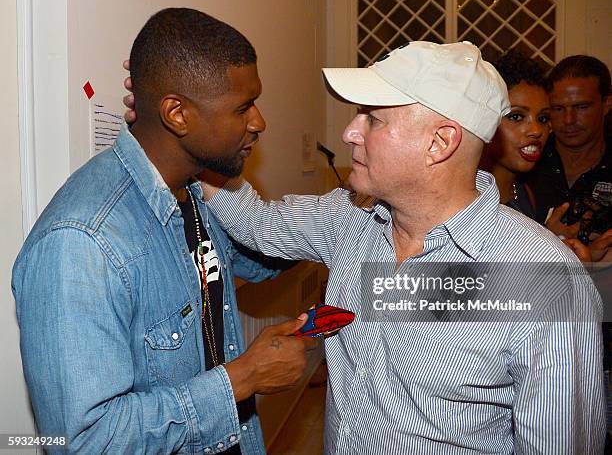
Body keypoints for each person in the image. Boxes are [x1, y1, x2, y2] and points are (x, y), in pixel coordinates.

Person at [199, 42, 604, 452]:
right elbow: (257, 223)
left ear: (440, 142)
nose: (349, 132)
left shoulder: (545, 283)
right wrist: (195, 137)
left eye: (373, 119)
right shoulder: (351, 217)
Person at [12, 8, 316, 454]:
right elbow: (86, 442)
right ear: (177, 114)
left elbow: (265, 256)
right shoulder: (82, 243)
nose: (259, 122)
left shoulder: (196, 191)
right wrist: (243, 379)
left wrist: (351, 213)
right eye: (242, 107)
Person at [528, 55, 612, 261]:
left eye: (581, 107)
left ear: (607, 104)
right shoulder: (524, 162)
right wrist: (548, 239)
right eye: (558, 109)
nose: (568, 120)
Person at [479, 50, 550, 219]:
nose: (536, 130)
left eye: (542, 118)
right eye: (516, 116)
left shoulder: (523, 192)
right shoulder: (465, 202)